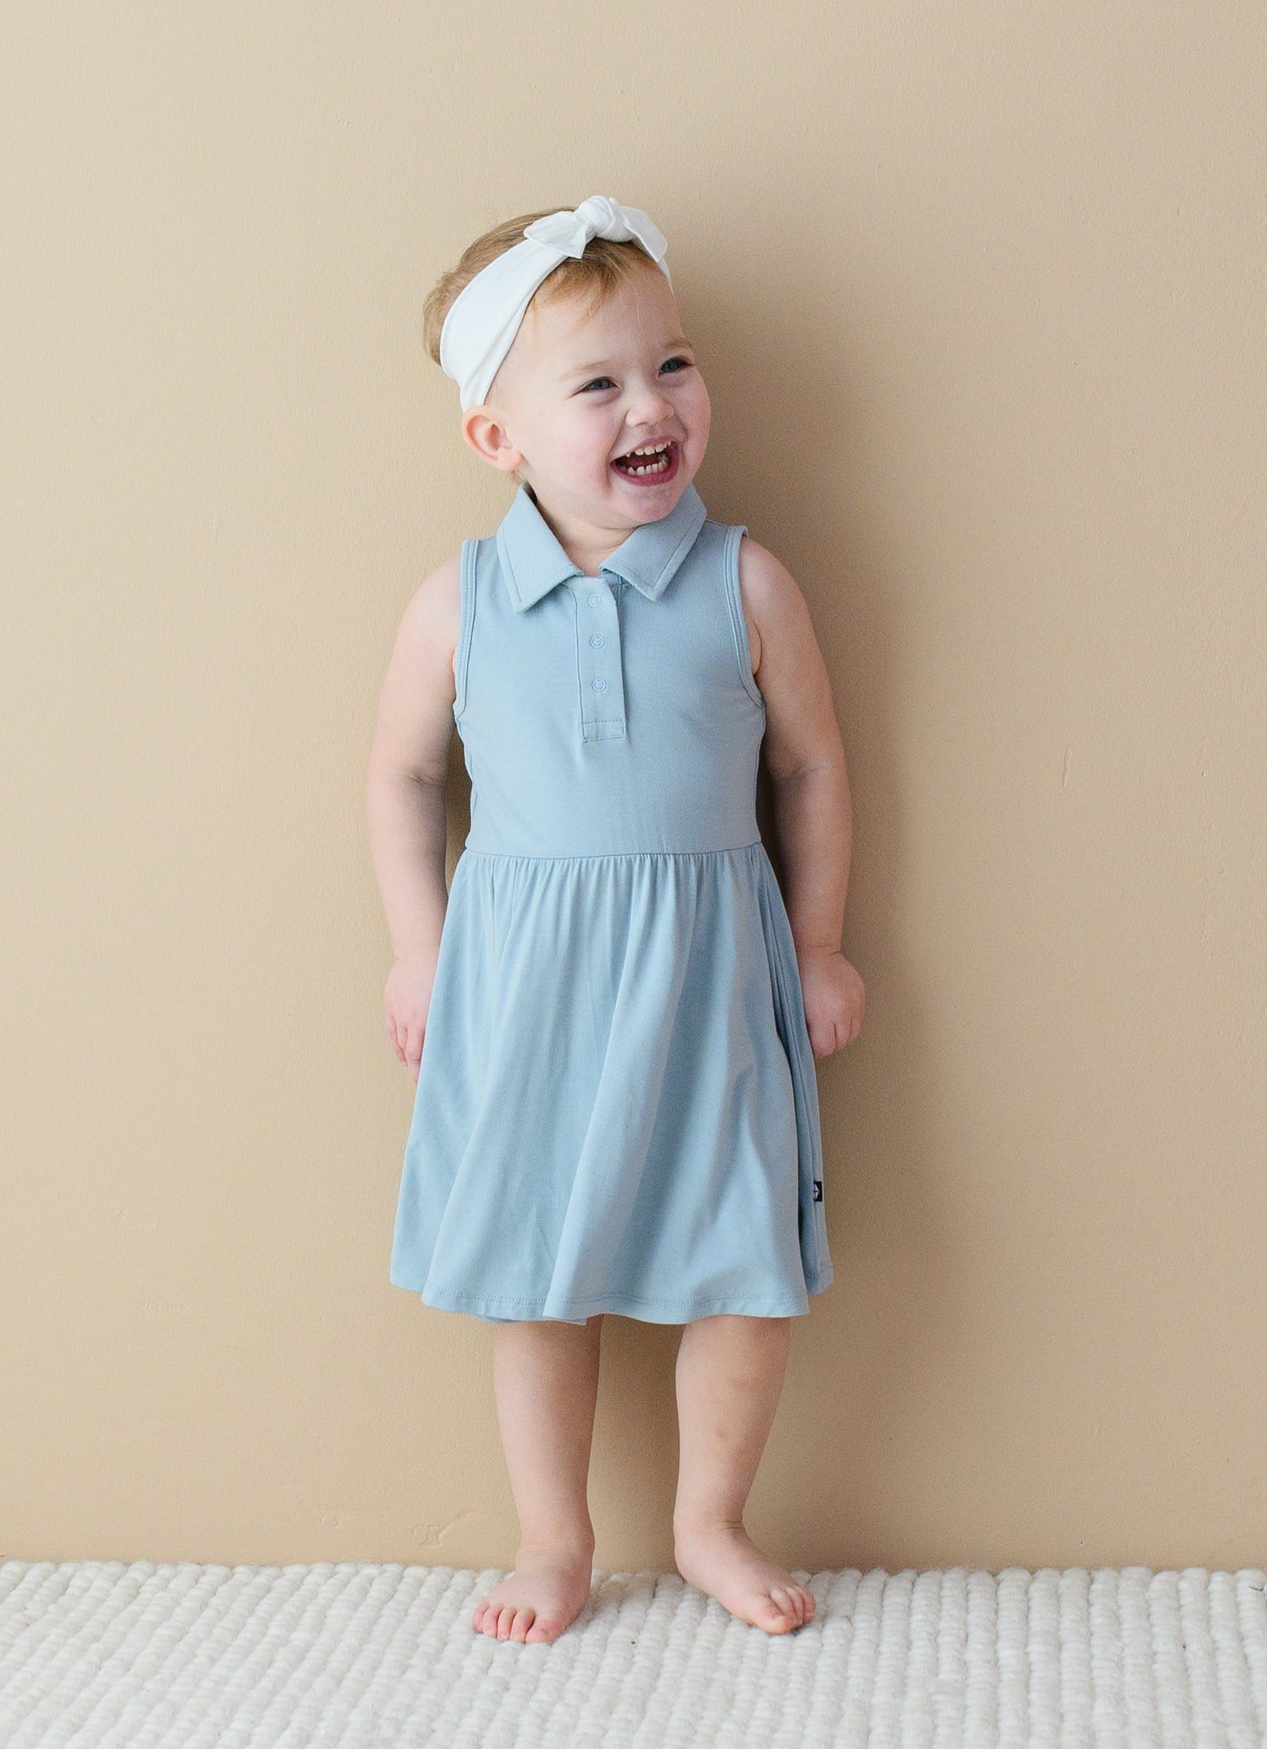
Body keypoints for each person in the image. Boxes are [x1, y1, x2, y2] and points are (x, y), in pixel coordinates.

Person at [367, 196, 863, 1646]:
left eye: (673, 366)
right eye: (599, 385)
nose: (652, 407)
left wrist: (821, 942)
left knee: (743, 1262)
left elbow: (814, 766)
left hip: (708, 972)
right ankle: (554, 1538)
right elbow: (401, 777)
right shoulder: (457, 607)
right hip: (525, 986)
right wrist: (418, 943)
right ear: (498, 436)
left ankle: (710, 1520)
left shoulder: (745, 584)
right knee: (538, 1270)